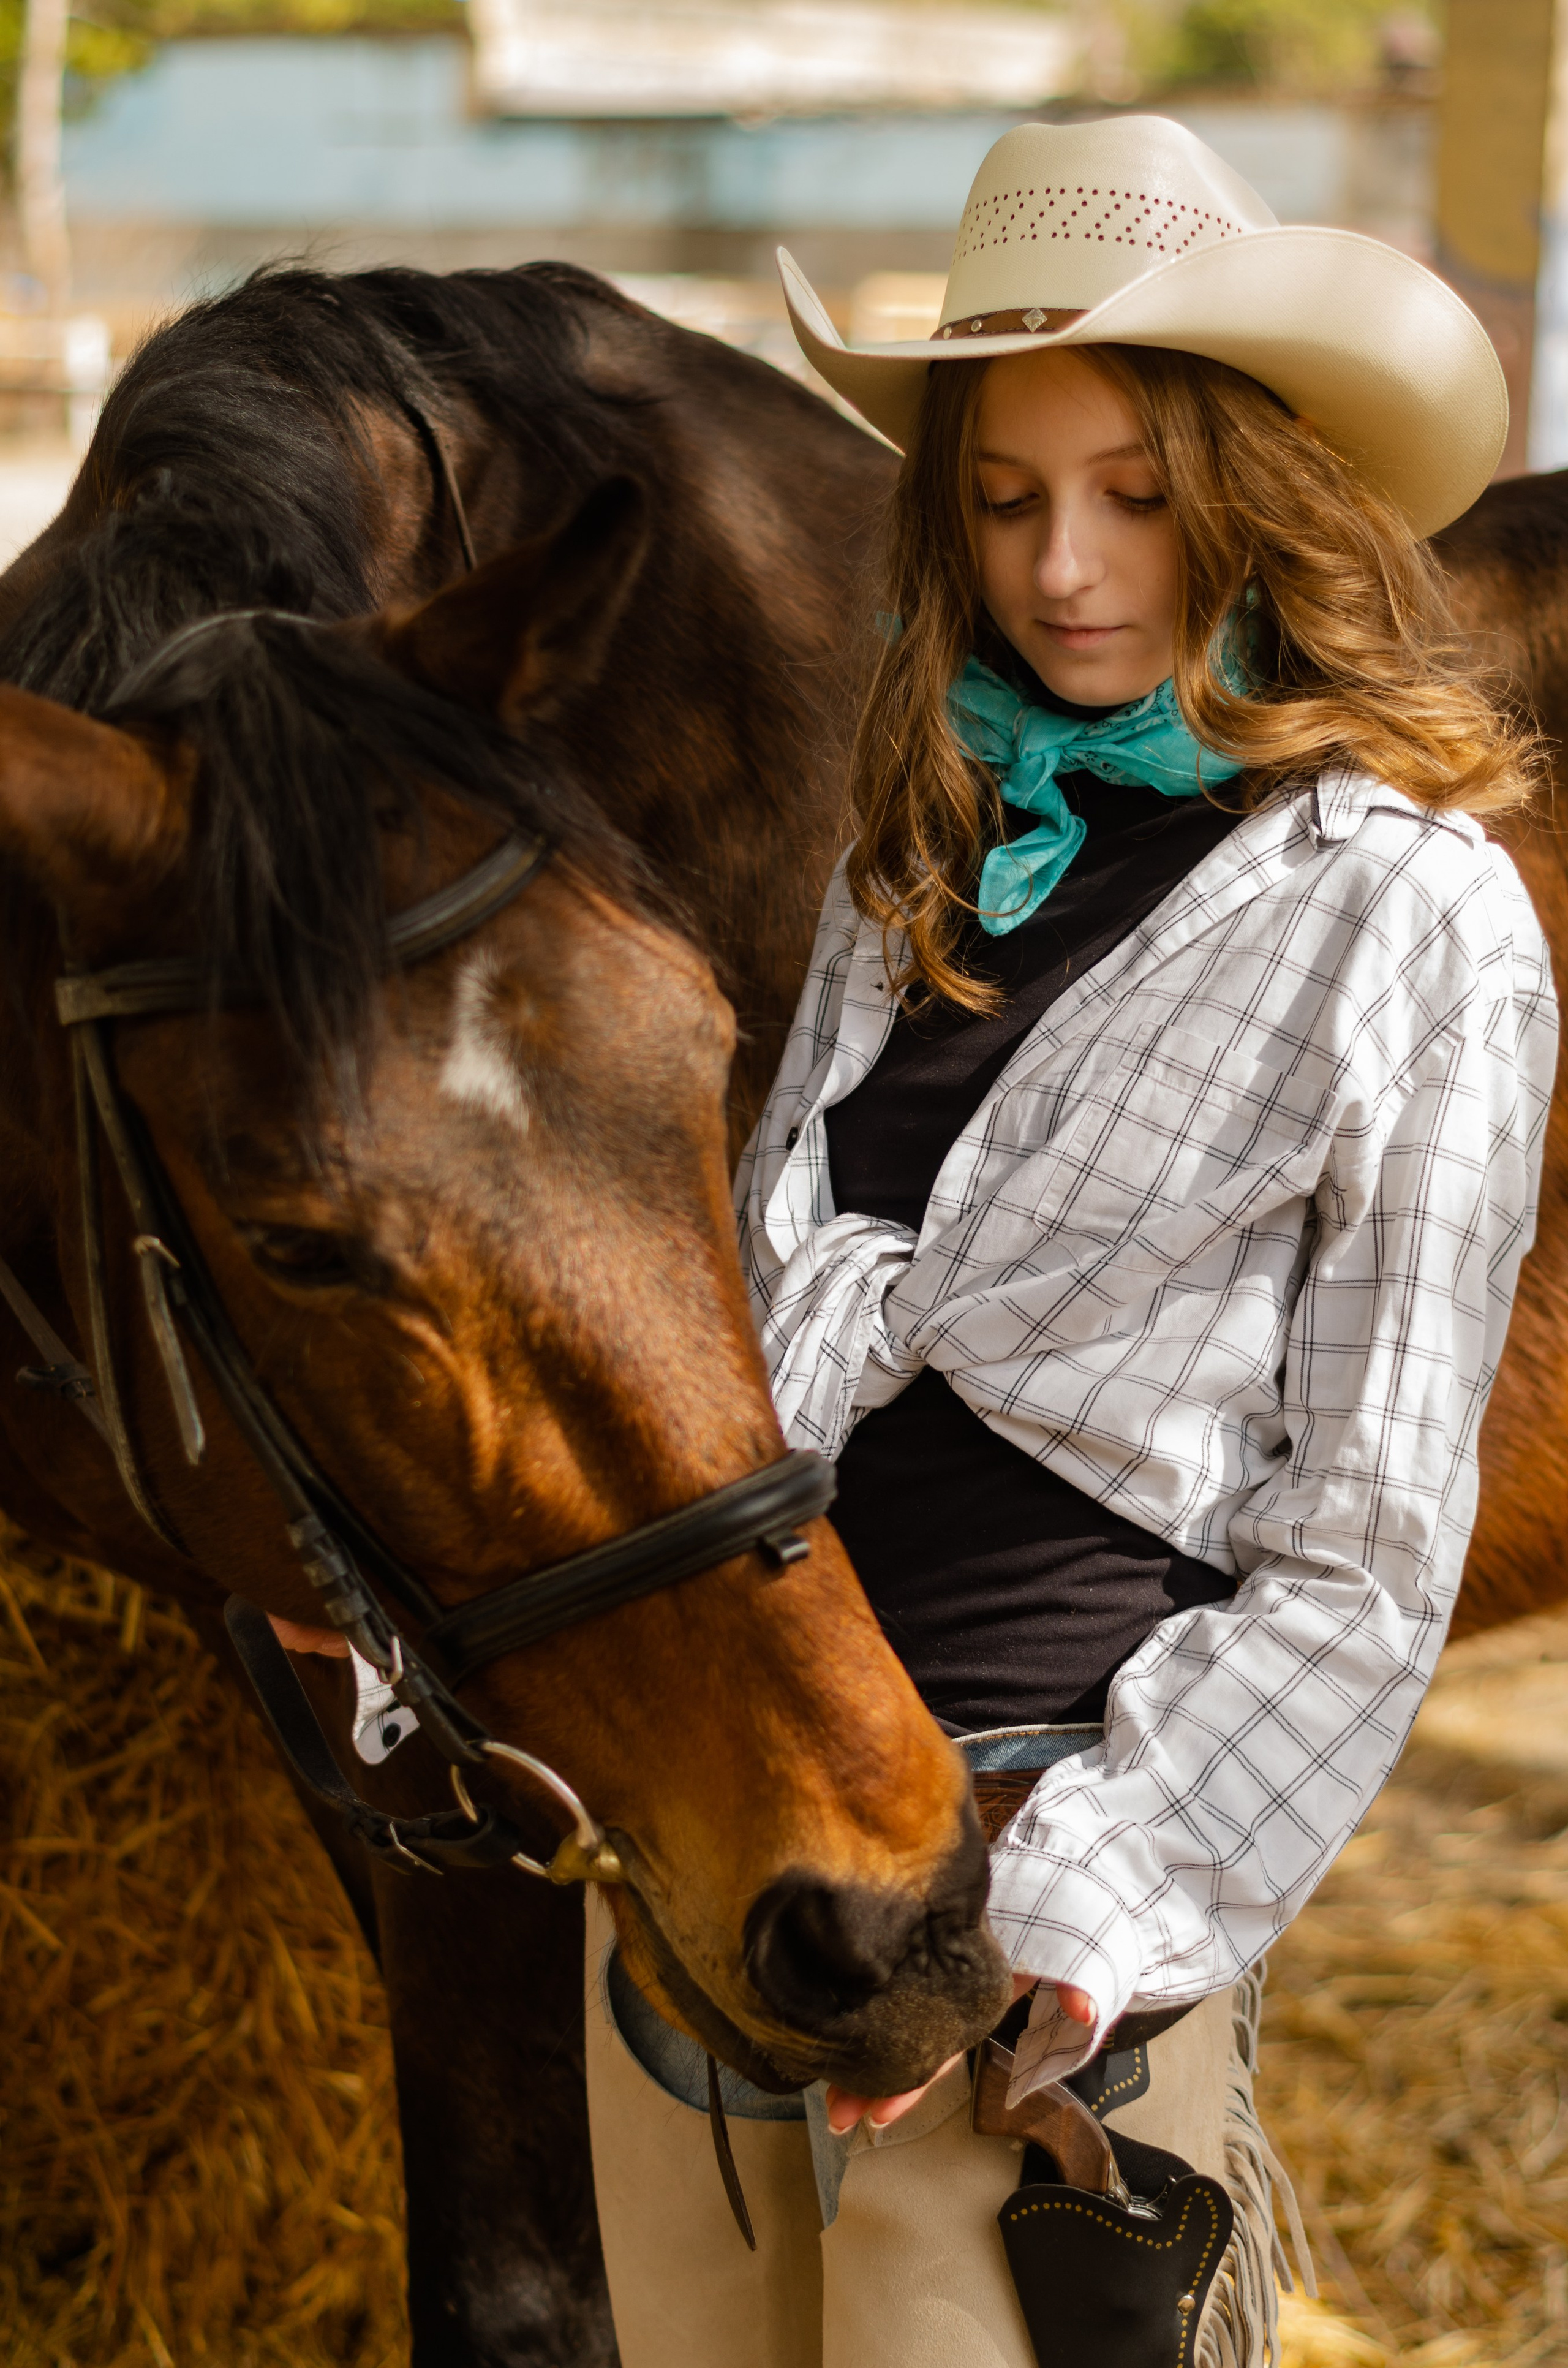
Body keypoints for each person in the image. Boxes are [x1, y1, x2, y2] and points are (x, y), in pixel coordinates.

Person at [583, 115, 1556, 2368]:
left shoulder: (1404, 915)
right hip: (744, 1855)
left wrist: (1092, 1905)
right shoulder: (905, 865)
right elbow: (779, 1343)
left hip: (1046, 1904)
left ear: (1257, 489)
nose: (1070, 565)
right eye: (1007, 500)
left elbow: (1369, 1539)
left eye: (1134, 489)